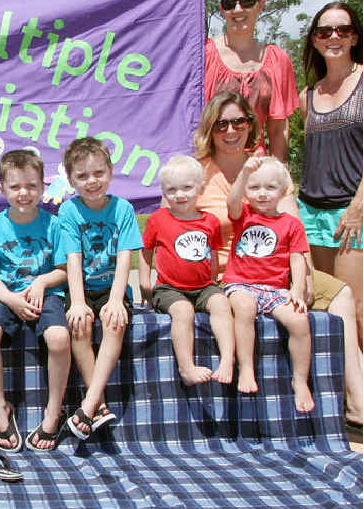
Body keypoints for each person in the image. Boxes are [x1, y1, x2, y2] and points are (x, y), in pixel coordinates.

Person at [194, 91, 361, 425]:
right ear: (210, 129)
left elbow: (293, 227)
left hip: (277, 270)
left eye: (239, 122)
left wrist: (306, 276)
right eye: (222, 124)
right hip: (228, 271)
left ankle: (356, 399)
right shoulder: (198, 172)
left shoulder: (268, 167)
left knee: (340, 294)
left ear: (250, 125)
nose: (231, 130)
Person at [0, 150, 71, 452]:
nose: (24, 193)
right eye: (15, 186)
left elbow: (64, 270)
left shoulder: (53, 224)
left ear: (43, 187)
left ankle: (54, 411)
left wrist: (42, 281)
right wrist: (9, 299)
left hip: (47, 294)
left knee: (59, 338)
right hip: (6, 294)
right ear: (2, 189)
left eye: (32, 185)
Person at [59, 137, 143, 440]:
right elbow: (73, 258)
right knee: (79, 325)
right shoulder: (69, 211)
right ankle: (100, 404)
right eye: (82, 176)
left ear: (110, 172)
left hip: (112, 287)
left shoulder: (123, 209)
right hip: (82, 287)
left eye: (98, 173)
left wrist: (117, 299)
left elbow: (125, 257)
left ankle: (89, 403)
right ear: (71, 181)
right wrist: (78, 302)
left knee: (113, 322)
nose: (92, 181)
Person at [224, 156, 313, 413]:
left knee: (299, 320)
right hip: (241, 284)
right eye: (254, 187)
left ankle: (300, 380)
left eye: (270, 187)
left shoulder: (292, 224)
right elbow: (232, 202)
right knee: (244, 308)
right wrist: (244, 174)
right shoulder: (243, 215)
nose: (262, 193)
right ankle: (246, 368)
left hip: (275, 289)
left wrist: (296, 289)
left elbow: (297, 258)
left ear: (283, 191)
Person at [298, 2, 363, 357]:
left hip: (352, 213)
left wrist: (357, 207)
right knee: (323, 307)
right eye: (324, 31)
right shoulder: (308, 96)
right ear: (315, 40)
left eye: (343, 29)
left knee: (356, 310)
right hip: (310, 213)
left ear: (354, 37)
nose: (333, 37)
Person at [138, 155, 233, 386]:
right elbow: (145, 251)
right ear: (163, 192)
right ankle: (186, 368)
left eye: (187, 188)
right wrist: (144, 283)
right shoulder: (158, 219)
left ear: (200, 187)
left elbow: (211, 254)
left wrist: (212, 282)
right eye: (171, 190)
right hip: (169, 288)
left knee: (222, 304)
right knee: (183, 311)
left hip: (204, 286)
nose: (179, 195)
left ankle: (228, 361)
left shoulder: (210, 221)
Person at [204, 0, 298, 160]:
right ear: (222, 9)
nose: (238, 9)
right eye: (229, 3)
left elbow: (278, 129)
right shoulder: (204, 54)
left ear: (260, 5)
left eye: (247, 1)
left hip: (257, 168)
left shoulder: (278, 59)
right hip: (209, 166)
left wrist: (279, 170)